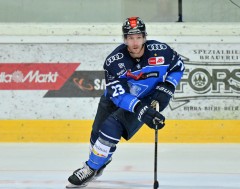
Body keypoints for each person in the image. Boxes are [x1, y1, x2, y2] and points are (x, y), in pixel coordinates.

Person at [66, 16, 185, 188]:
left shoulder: (162, 51)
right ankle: (100, 161)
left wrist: (167, 88)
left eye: (138, 37)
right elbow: (118, 95)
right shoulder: (114, 61)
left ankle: (90, 168)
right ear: (124, 39)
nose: (135, 42)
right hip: (115, 97)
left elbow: (178, 66)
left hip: (146, 99)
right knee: (97, 133)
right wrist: (139, 109)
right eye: (130, 38)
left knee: (111, 127)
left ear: (144, 37)